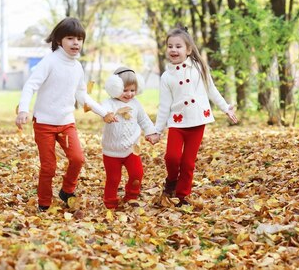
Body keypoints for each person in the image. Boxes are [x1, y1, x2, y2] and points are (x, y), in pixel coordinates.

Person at [15, 17, 116, 212]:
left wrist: (103, 113)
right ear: (59, 40)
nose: (76, 43)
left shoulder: (77, 67)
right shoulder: (50, 62)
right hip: (44, 124)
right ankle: (44, 203)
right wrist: (23, 110)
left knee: (78, 159)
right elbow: (30, 85)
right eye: (70, 38)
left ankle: (66, 190)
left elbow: (81, 94)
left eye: (79, 39)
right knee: (48, 167)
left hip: (66, 123)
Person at [155, 27, 238, 206]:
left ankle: (182, 196)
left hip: (197, 122)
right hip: (177, 123)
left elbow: (212, 90)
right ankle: (171, 181)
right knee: (172, 158)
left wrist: (225, 108)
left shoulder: (199, 68)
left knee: (187, 163)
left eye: (178, 46)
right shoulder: (166, 76)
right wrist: (157, 130)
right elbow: (164, 106)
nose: (174, 50)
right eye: (170, 46)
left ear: (189, 50)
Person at [100, 67, 161, 209]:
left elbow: (144, 120)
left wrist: (151, 132)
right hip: (111, 150)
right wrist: (106, 114)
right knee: (113, 179)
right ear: (114, 88)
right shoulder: (109, 103)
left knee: (137, 174)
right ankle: (110, 202)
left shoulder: (135, 104)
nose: (129, 94)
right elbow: (102, 109)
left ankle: (131, 197)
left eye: (132, 90)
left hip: (132, 148)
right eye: (125, 90)